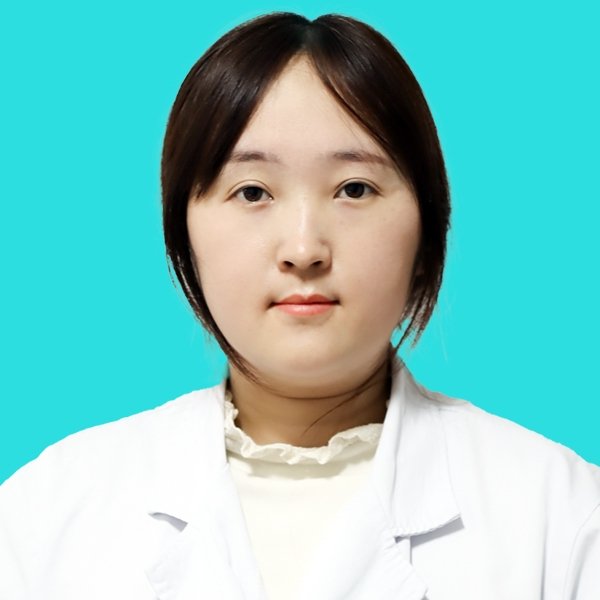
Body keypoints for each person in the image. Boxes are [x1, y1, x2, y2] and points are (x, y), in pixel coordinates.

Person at [0, 11, 598, 600]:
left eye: (354, 189)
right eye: (252, 192)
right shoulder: (43, 516)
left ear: (427, 231)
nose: (304, 249)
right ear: (184, 235)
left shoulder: (565, 516)